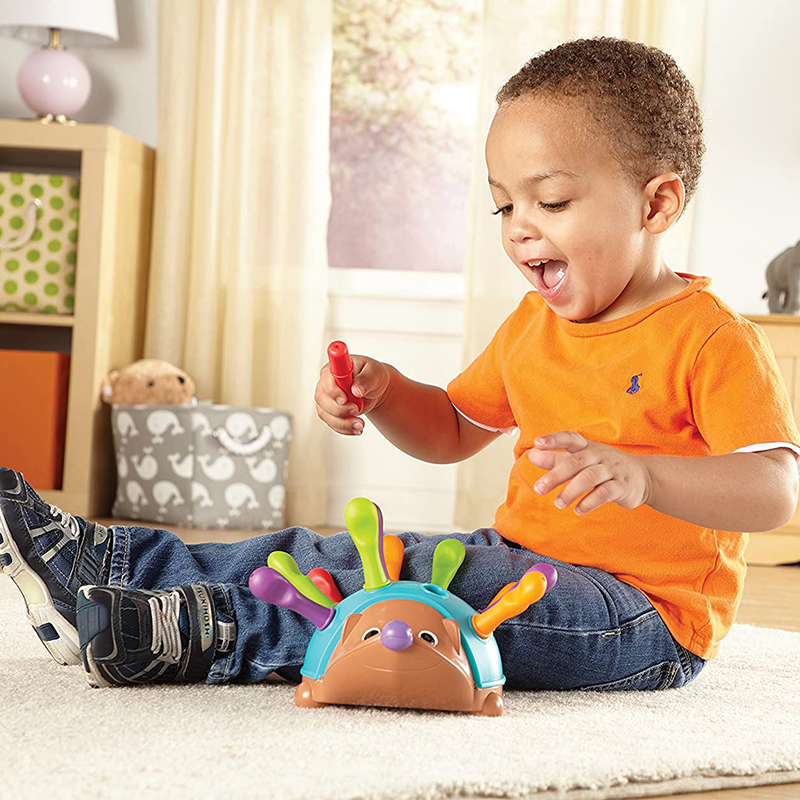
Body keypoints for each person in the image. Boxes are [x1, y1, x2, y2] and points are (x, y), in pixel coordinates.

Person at [2, 36, 798, 692]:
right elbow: (452, 429)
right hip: (526, 562)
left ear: (657, 204)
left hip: (642, 618)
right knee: (363, 556)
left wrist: (645, 477)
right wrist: (385, 392)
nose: (520, 228)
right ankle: (114, 567)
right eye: (504, 204)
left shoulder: (711, 340)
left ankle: (205, 633)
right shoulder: (534, 323)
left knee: (415, 600)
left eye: (551, 202)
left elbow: (775, 490)